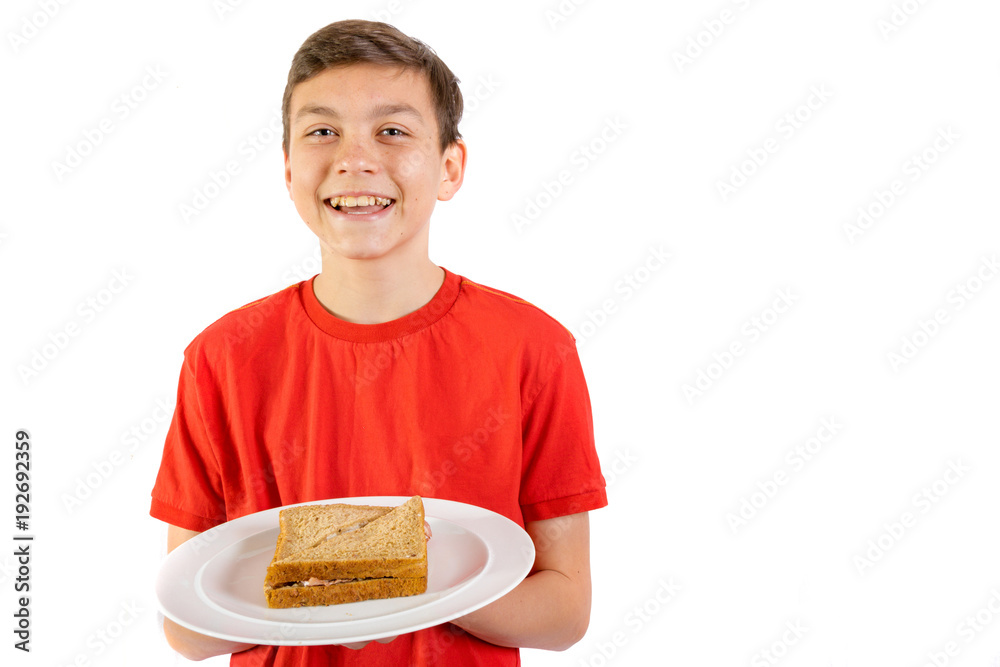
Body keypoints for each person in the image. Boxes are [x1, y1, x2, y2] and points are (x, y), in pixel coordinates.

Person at [150, 18, 607, 666]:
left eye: (392, 130)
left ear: (450, 167)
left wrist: (410, 587)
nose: (354, 159)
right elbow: (188, 629)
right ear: (287, 170)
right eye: (322, 131)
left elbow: (566, 612)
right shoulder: (221, 358)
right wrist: (328, 601)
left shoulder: (534, 348)